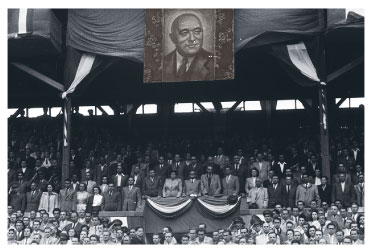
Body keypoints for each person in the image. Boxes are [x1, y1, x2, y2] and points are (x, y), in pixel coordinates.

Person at [163, 13, 214, 82]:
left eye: (197, 31)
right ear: (172, 38)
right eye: (184, 33)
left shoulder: (214, 63)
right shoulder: (162, 62)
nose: (192, 39)